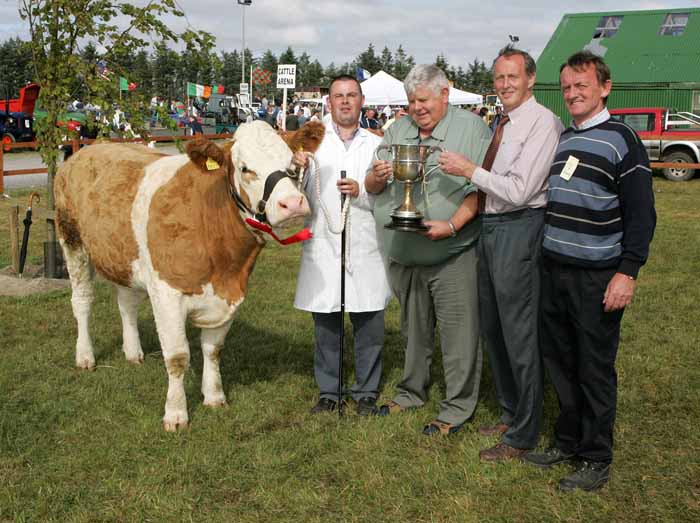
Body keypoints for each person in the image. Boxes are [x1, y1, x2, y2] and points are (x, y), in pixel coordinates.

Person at [522, 51, 656, 491]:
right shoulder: (565, 138)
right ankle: (569, 441)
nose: (573, 93)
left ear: (604, 87)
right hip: (555, 270)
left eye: (582, 85)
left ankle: (597, 456)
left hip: (597, 276)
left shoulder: (622, 140)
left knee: (593, 366)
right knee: (560, 362)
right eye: (567, 87)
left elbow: (641, 214)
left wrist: (628, 272)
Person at [438, 46, 563, 461]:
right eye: (498, 78)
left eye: (512, 77)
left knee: (519, 333)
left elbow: (521, 190)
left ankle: (525, 433)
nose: (505, 85)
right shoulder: (504, 122)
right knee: (494, 328)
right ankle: (511, 414)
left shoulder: (542, 123)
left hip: (520, 227)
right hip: (491, 227)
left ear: (530, 79)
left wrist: (467, 170)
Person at [365, 64, 490, 435]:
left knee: (459, 335)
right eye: (411, 100)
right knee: (413, 332)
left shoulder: (472, 129)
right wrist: (376, 176)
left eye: (424, 99)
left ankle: (456, 407)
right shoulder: (398, 130)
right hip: (404, 252)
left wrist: (452, 225)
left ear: (445, 94)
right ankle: (410, 392)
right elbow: (371, 186)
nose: (417, 107)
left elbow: (484, 190)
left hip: (452, 253)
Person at [293, 74, 392, 416]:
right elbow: (293, 195)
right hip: (325, 243)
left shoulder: (377, 143)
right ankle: (329, 391)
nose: (345, 101)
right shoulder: (312, 143)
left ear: (362, 101)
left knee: (368, 322)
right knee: (326, 323)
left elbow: (389, 196)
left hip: (365, 245)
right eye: (339, 96)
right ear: (329, 102)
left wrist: (362, 191)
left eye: (351, 95)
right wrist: (297, 168)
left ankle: (366, 390)